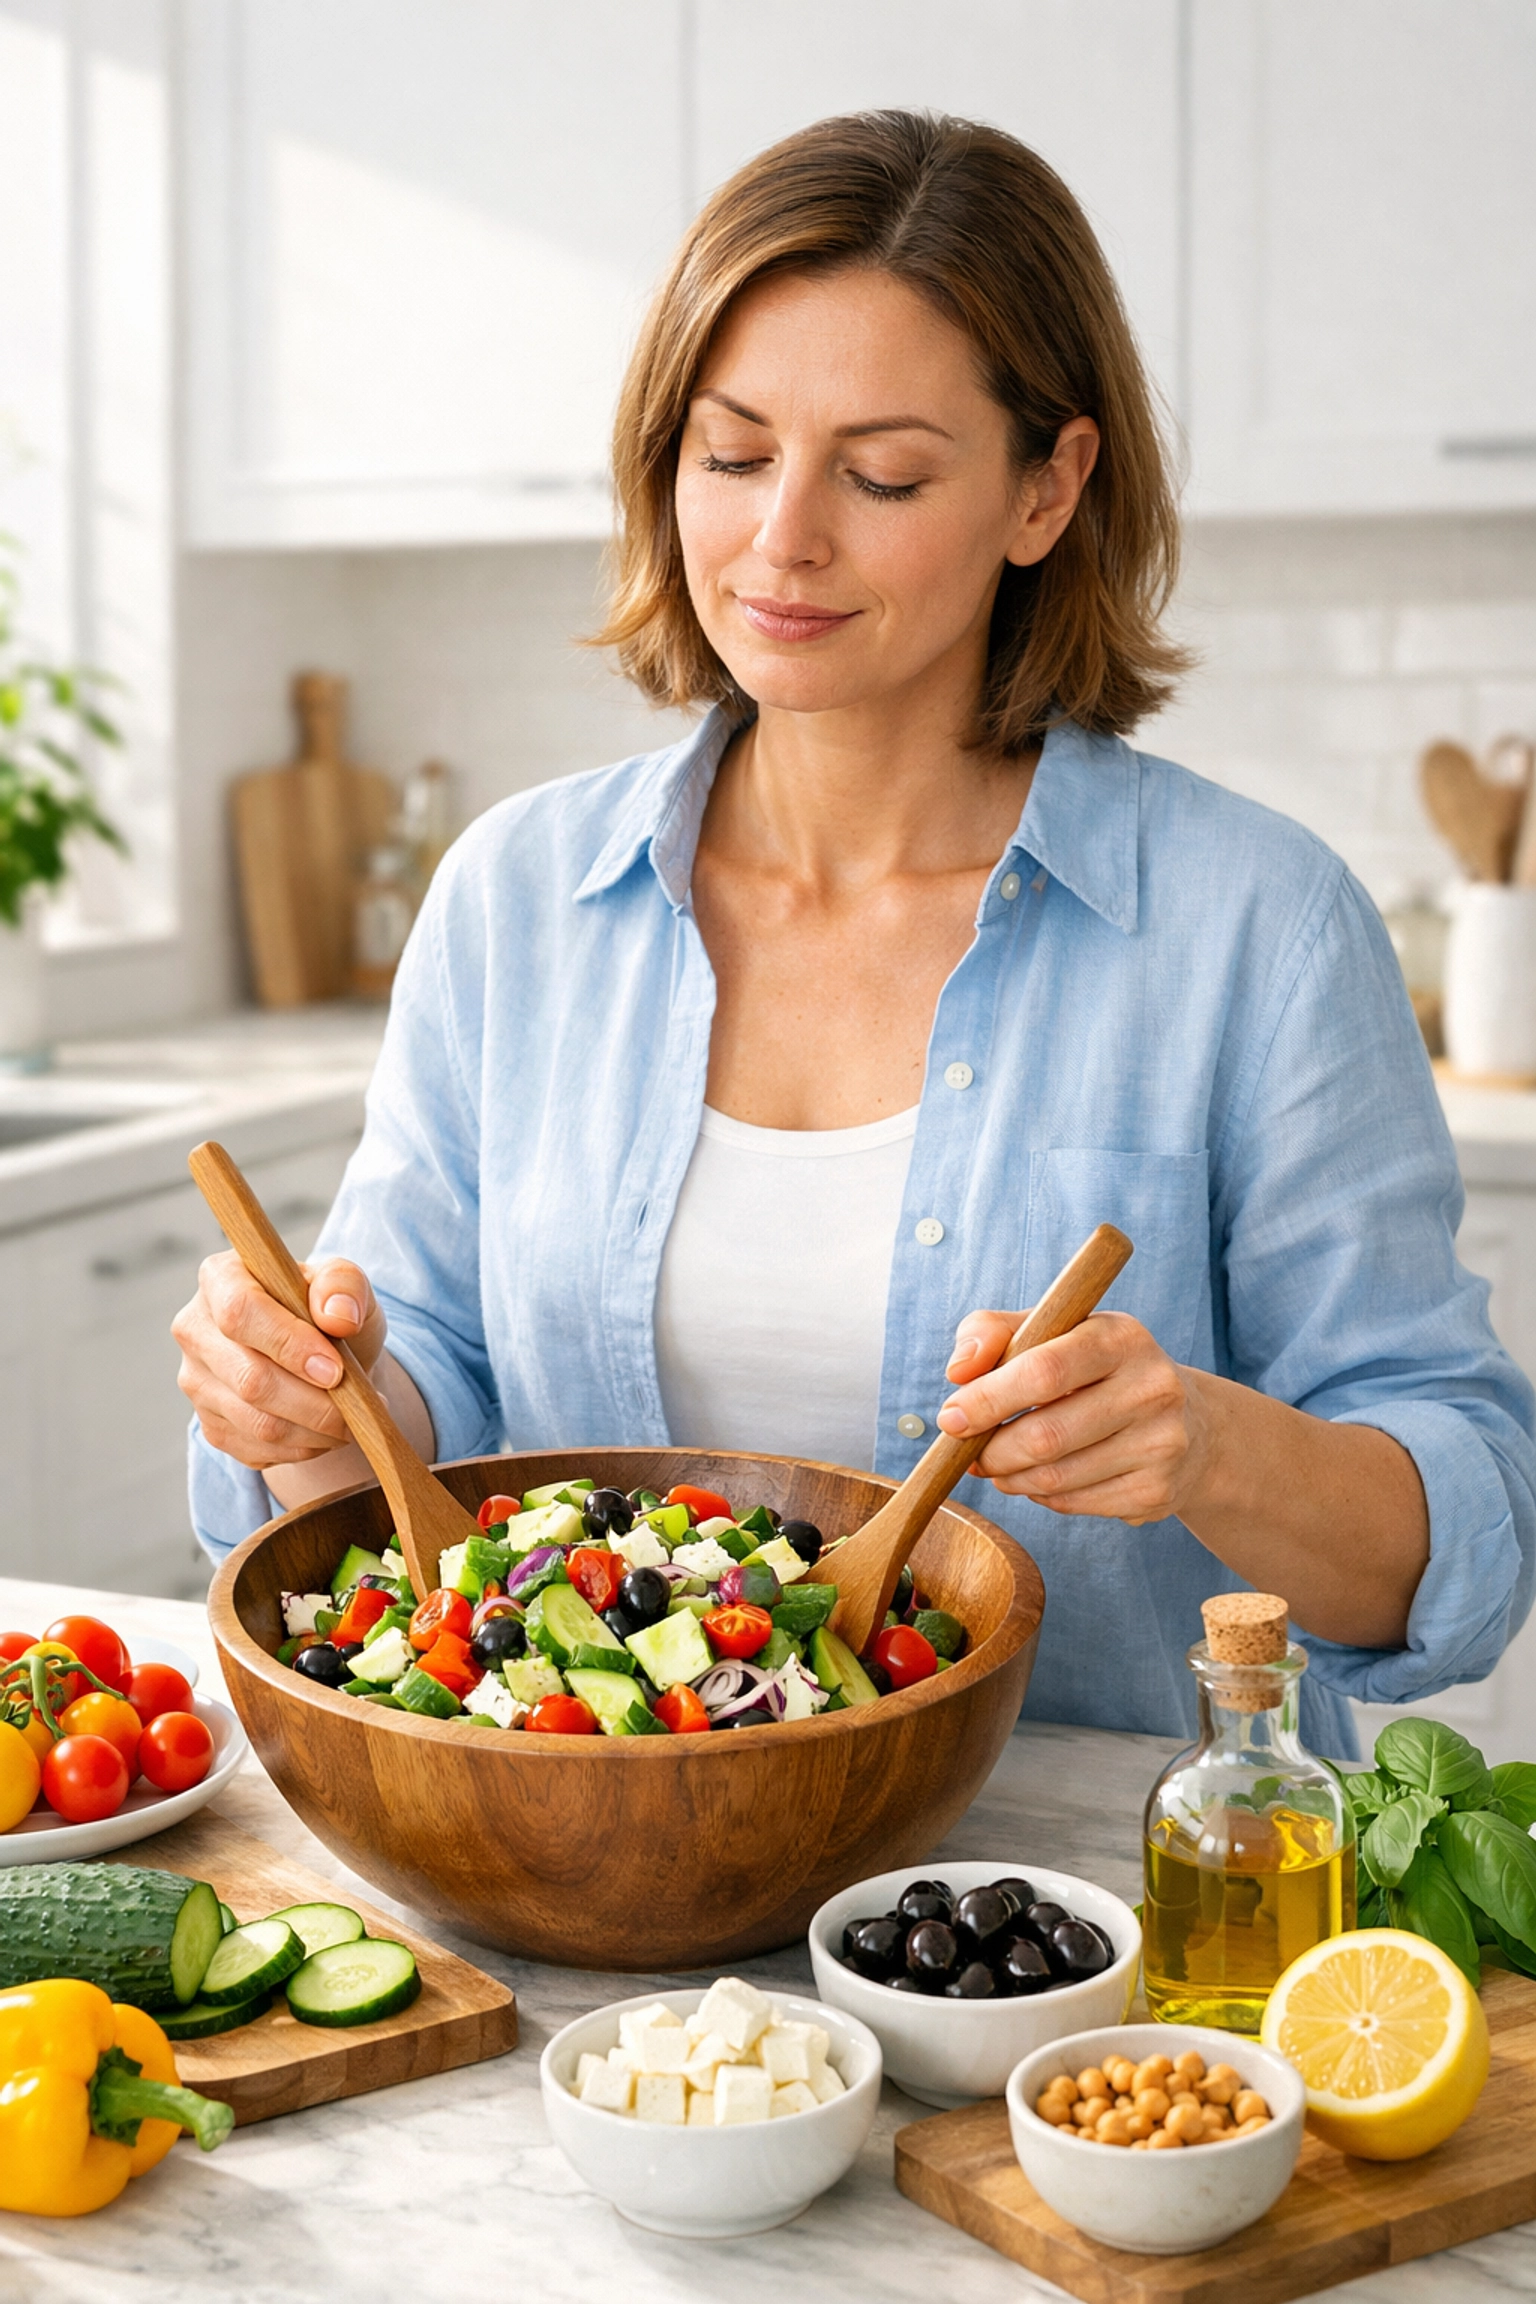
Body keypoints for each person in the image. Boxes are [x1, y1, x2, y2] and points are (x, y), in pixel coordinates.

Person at [175, 110, 1535, 1749]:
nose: (782, 539)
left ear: (1049, 488)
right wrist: (308, 1404)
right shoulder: (513, 901)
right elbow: (415, 1469)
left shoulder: (1259, 926)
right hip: (604, 1897)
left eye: (881, 473)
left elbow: (1465, 1544)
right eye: (733, 455)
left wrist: (1211, 1448)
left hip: (1094, 1917)